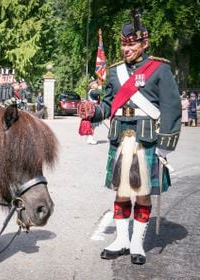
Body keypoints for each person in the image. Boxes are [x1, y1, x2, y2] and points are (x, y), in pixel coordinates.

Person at [79, 17, 181, 265]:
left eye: (132, 45)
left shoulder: (160, 69)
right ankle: (122, 240)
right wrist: (94, 112)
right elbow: (109, 105)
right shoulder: (115, 72)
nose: (126, 49)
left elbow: (171, 106)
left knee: (143, 193)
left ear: (144, 44)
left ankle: (137, 244)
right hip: (120, 137)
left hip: (146, 139)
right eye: (124, 44)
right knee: (121, 192)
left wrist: (165, 144)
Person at [86, 79, 102, 145]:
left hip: (92, 109)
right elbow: (100, 92)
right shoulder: (92, 91)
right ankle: (90, 139)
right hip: (93, 110)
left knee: (93, 126)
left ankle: (90, 138)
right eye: (96, 84)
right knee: (93, 125)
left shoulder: (92, 91)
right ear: (92, 85)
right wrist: (100, 86)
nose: (97, 84)